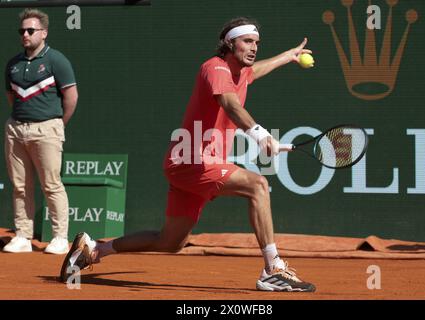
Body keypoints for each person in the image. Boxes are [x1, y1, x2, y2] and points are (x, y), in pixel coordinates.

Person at [60, 17, 315, 292]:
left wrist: (288, 56)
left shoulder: (240, 73)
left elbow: (256, 72)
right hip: (193, 161)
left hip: (191, 164)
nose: (254, 48)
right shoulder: (215, 68)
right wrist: (260, 133)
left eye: (256, 43)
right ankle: (272, 268)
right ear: (230, 43)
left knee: (170, 242)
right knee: (258, 185)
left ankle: (95, 249)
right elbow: (229, 104)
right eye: (247, 42)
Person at [3, 9, 78, 254]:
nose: (25, 34)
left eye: (30, 30)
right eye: (22, 31)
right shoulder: (13, 64)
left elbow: (71, 97)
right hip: (16, 129)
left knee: (51, 184)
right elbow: (11, 97)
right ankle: (23, 236)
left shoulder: (57, 60)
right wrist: (21, 121)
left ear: (43, 33)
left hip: (47, 129)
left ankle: (59, 237)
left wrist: (56, 124)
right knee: (20, 186)